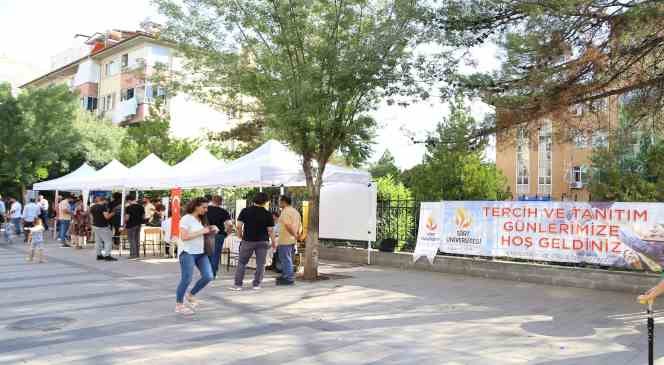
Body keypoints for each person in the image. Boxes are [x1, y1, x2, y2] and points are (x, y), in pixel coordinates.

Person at [175, 197, 217, 315]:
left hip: (201, 252)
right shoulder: (186, 218)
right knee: (186, 279)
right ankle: (179, 305)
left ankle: (191, 294)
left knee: (208, 276)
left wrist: (212, 229)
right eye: (204, 207)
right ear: (195, 206)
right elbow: (184, 237)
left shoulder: (201, 219)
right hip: (187, 252)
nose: (206, 210)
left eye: (206, 207)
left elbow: (204, 232)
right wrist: (203, 231)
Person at [231, 192, 276, 291]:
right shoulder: (268, 214)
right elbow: (271, 230)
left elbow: (238, 226)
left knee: (242, 263)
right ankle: (256, 284)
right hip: (263, 241)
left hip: (248, 240)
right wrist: (273, 242)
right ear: (265, 202)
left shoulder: (245, 211)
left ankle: (238, 285)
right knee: (261, 264)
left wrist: (240, 236)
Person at [276, 195, 301, 286]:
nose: (278, 203)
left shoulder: (285, 212)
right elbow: (299, 225)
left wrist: (294, 234)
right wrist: (297, 235)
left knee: (286, 259)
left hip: (285, 239)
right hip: (292, 239)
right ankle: (285, 276)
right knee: (287, 258)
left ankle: (288, 278)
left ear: (283, 202)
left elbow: (287, 225)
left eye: (279, 201)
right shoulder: (296, 212)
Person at [206, 195, 231, 279]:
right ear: (221, 202)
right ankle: (212, 274)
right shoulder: (224, 212)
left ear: (212, 200)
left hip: (206, 233)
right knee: (216, 254)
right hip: (219, 235)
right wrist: (227, 233)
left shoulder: (205, 210)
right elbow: (229, 225)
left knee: (207, 254)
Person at [89, 196, 117, 261]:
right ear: (103, 200)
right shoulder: (103, 207)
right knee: (108, 241)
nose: (106, 202)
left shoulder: (93, 207)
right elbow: (107, 217)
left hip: (95, 225)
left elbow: (91, 216)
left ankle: (99, 255)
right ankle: (107, 255)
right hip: (103, 226)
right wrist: (113, 213)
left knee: (98, 241)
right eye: (106, 201)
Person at [125, 195, 145, 259]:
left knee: (131, 240)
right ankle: (137, 254)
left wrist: (124, 221)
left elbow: (127, 218)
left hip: (130, 225)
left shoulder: (128, 207)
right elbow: (143, 217)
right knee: (137, 239)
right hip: (138, 225)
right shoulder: (141, 207)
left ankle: (133, 255)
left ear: (129, 200)